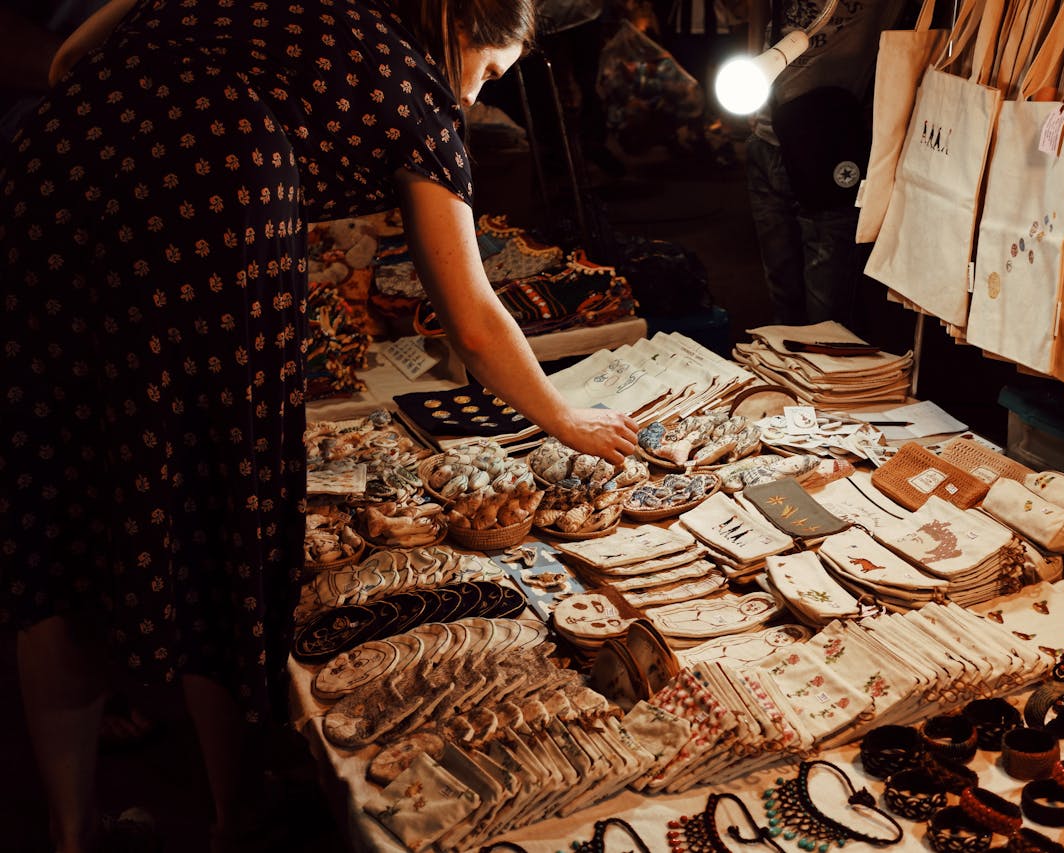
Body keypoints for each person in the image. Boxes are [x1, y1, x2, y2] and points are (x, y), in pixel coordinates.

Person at [0, 0, 639, 850]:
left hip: (47, 180)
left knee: (62, 496)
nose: (479, 98)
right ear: (458, 27)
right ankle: (237, 814)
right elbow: (473, 319)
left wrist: (149, 111)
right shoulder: (417, 88)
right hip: (213, 207)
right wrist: (565, 418)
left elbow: (68, 59)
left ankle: (68, 826)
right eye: (488, 74)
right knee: (227, 505)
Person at [742, 0, 906, 329]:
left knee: (826, 313)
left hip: (831, 144)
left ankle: (829, 375)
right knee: (784, 301)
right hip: (767, 137)